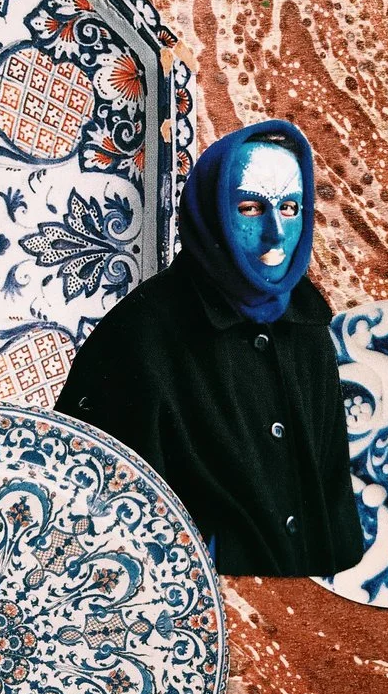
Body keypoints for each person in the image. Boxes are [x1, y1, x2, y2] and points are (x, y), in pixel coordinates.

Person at [54, 119, 363, 577]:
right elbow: (97, 516)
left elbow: (332, 493)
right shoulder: (140, 333)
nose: (277, 233)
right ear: (211, 211)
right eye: (251, 208)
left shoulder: (306, 322)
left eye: (290, 207)